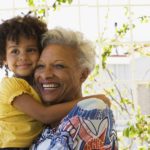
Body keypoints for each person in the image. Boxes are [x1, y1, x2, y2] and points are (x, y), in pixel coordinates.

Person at [0, 15, 81, 149]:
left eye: (30, 50)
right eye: (15, 51)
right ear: (4, 58)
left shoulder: (38, 85)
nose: (23, 57)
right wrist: (88, 101)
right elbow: (45, 115)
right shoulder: (10, 85)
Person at [31, 27, 118, 149]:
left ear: (83, 74)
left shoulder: (93, 111)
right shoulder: (42, 124)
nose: (45, 74)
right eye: (40, 66)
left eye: (59, 66)